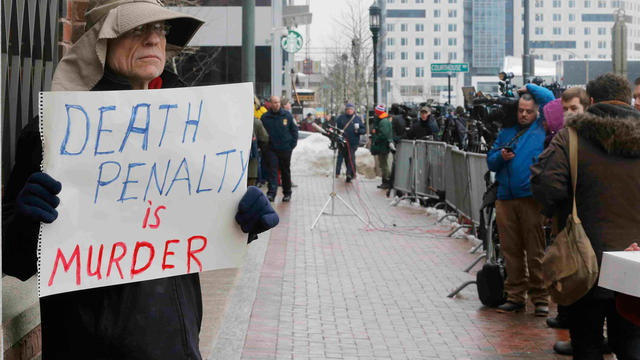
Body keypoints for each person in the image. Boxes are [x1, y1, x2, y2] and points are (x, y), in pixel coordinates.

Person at [1, 1, 279, 358]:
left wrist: (242, 220)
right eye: (137, 29)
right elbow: (15, 259)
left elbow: (187, 227)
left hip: (177, 343)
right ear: (102, 44)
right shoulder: (51, 134)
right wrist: (25, 222)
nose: (153, 39)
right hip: (88, 348)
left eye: (161, 30)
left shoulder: (192, 127)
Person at [531, 73, 640, 359]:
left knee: (587, 343)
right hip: (635, 258)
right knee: (631, 341)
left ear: (591, 101)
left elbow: (546, 184)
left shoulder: (572, 137)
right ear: (628, 99)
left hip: (584, 259)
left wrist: (562, 211)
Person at [486, 83, 554, 317]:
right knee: (511, 250)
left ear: (537, 112)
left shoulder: (541, 127)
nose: (524, 115)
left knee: (535, 251)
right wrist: (501, 157)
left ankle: (540, 297)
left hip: (531, 199)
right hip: (506, 198)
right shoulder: (507, 131)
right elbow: (491, 160)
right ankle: (515, 296)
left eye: (529, 111)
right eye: (521, 110)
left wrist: (528, 86)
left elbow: (549, 98)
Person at [261, 95, 298, 202]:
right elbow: (262, 134)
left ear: (280, 104)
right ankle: (271, 193)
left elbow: (294, 131)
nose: (276, 104)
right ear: (270, 104)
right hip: (271, 149)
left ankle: (287, 193)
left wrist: (291, 145)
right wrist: (265, 148)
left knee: (285, 172)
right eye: (274, 102)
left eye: (277, 102)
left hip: (285, 149)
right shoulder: (265, 117)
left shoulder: (287, 115)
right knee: (272, 172)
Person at [335, 103, 365, 182]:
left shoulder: (357, 119)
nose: (349, 111)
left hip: (353, 142)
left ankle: (349, 174)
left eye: (351, 109)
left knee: (350, 157)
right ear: (345, 110)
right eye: (348, 109)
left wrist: (358, 131)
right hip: (342, 141)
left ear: (353, 110)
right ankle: (338, 172)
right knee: (341, 157)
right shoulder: (341, 118)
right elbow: (337, 129)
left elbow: (363, 130)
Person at [370, 104, 394, 189]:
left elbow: (383, 135)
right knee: (383, 164)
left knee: (384, 164)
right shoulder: (383, 120)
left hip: (383, 146)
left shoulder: (383, 121)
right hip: (383, 146)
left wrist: (375, 135)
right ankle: (386, 180)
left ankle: (386, 181)